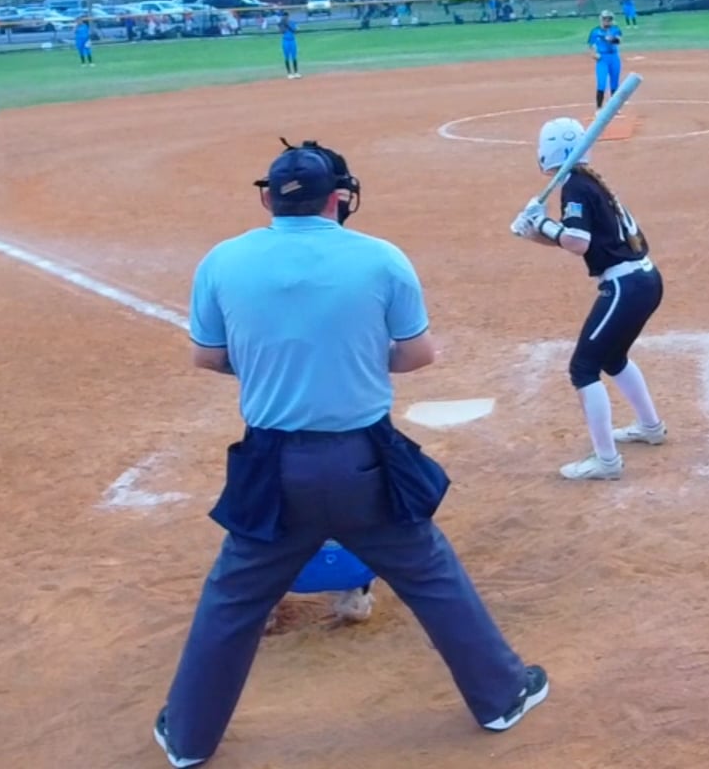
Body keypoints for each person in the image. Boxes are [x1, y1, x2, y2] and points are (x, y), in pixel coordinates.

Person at [154, 139, 547, 767]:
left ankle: (188, 739)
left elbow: (207, 355)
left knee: (232, 600)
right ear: (339, 199)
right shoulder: (380, 258)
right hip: (366, 462)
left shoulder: (223, 260)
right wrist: (356, 358)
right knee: (430, 574)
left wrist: (268, 365)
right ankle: (500, 697)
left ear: (267, 200)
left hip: (271, 467)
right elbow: (417, 355)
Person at [510, 117, 666, 481]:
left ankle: (606, 462)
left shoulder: (576, 187)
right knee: (612, 358)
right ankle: (651, 427)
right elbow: (576, 241)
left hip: (625, 286)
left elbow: (577, 242)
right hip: (643, 280)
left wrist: (542, 222)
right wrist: (535, 232)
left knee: (583, 368)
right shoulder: (587, 181)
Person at [587, 11, 624, 110]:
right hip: (602, 58)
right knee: (602, 83)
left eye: (609, 19)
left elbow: (619, 40)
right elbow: (591, 46)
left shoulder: (615, 29)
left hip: (614, 57)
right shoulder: (595, 31)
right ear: (601, 19)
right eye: (605, 19)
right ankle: (599, 108)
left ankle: (614, 107)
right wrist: (594, 54)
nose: (607, 21)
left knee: (614, 82)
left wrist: (611, 39)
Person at [278, 11, 300, 79]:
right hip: (285, 41)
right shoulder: (281, 23)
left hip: (292, 41)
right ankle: (289, 73)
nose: (285, 17)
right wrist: (282, 25)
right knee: (286, 57)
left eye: (286, 16)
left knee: (294, 57)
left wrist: (287, 25)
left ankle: (296, 72)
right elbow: (282, 32)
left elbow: (295, 31)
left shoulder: (292, 22)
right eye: (283, 16)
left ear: (288, 16)